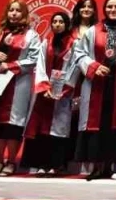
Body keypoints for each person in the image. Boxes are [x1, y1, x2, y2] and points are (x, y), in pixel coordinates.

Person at [0, 0, 44, 176]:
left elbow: (34, 59)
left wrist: (10, 65)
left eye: (18, 10)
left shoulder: (31, 36)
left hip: (18, 83)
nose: (14, 14)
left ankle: (11, 161)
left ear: (25, 14)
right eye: (11, 10)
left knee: (13, 122)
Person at [74, 0, 116, 181]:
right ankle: (96, 166)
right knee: (97, 123)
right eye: (110, 6)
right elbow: (79, 53)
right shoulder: (93, 30)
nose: (113, 9)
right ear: (104, 9)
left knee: (114, 124)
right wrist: (94, 66)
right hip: (97, 83)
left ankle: (110, 165)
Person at [19, 11, 77, 176]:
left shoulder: (74, 43)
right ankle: (40, 164)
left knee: (59, 129)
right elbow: (40, 66)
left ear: (67, 25)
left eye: (61, 22)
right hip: (45, 94)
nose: (57, 24)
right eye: (55, 22)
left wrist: (64, 90)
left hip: (63, 94)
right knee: (41, 128)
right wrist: (45, 88)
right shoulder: (46, 42)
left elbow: (74, 67)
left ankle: (55, 164)